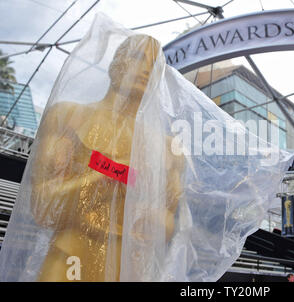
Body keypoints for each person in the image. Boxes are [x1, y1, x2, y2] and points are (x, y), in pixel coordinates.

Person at [31, 34, 185, 281]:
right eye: (137, 57)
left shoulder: (168, 148)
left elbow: (168, 223)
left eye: (155, 65)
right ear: (116, 63)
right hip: (69, 256)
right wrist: (103, 178)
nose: (145, 69)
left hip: (127, 267)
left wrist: (148, 215)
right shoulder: (68, 117)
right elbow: (42, 206)